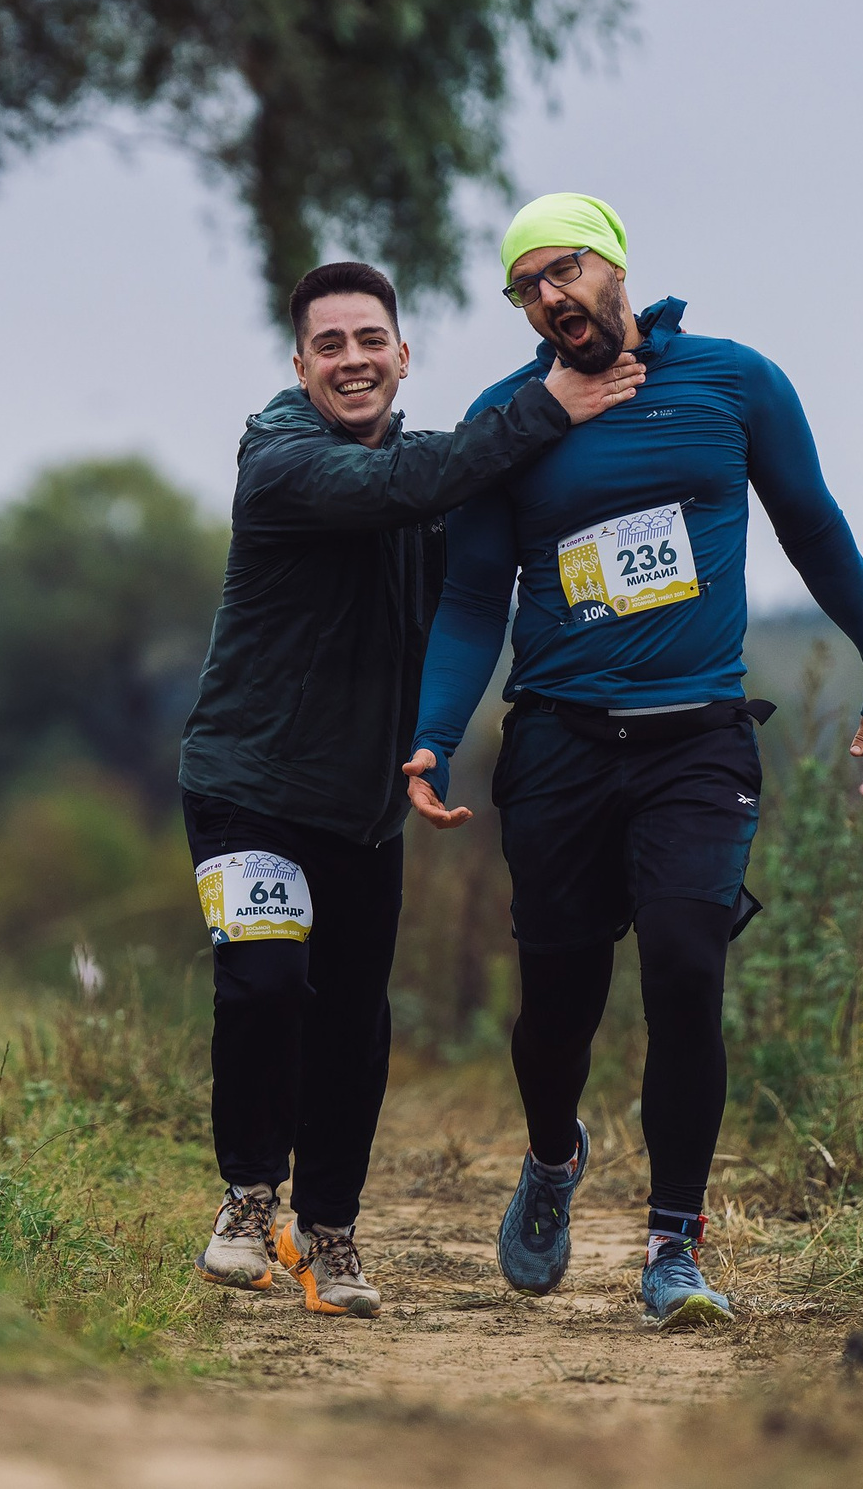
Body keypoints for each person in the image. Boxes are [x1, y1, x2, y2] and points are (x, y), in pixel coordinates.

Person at [403, 194, 863, 1328]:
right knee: (558, 1011)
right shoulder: (510, 418)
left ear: (615, 265)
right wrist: (435, 734)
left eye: (568, 269)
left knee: (688, 967)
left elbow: (813, 527)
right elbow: (475, 598)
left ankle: (674, 1248)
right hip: (557, 743)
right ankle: (552, 1158)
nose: (553, 295)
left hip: (695, 736)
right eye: (528, 284)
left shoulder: (734, 384)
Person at [178, 259, 644, 1317]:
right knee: (260, 982)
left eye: (369, 340)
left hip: (361, 808)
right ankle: (250, 1198)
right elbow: (391, 487)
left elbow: (480, 567)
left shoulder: (436, 480)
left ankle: (331, 1237)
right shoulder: (281, 457)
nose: (352, 360)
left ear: (402, 354)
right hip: (244, 782)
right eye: (329, 345)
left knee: (350, 1020)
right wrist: (543, 405)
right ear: (300, 366)